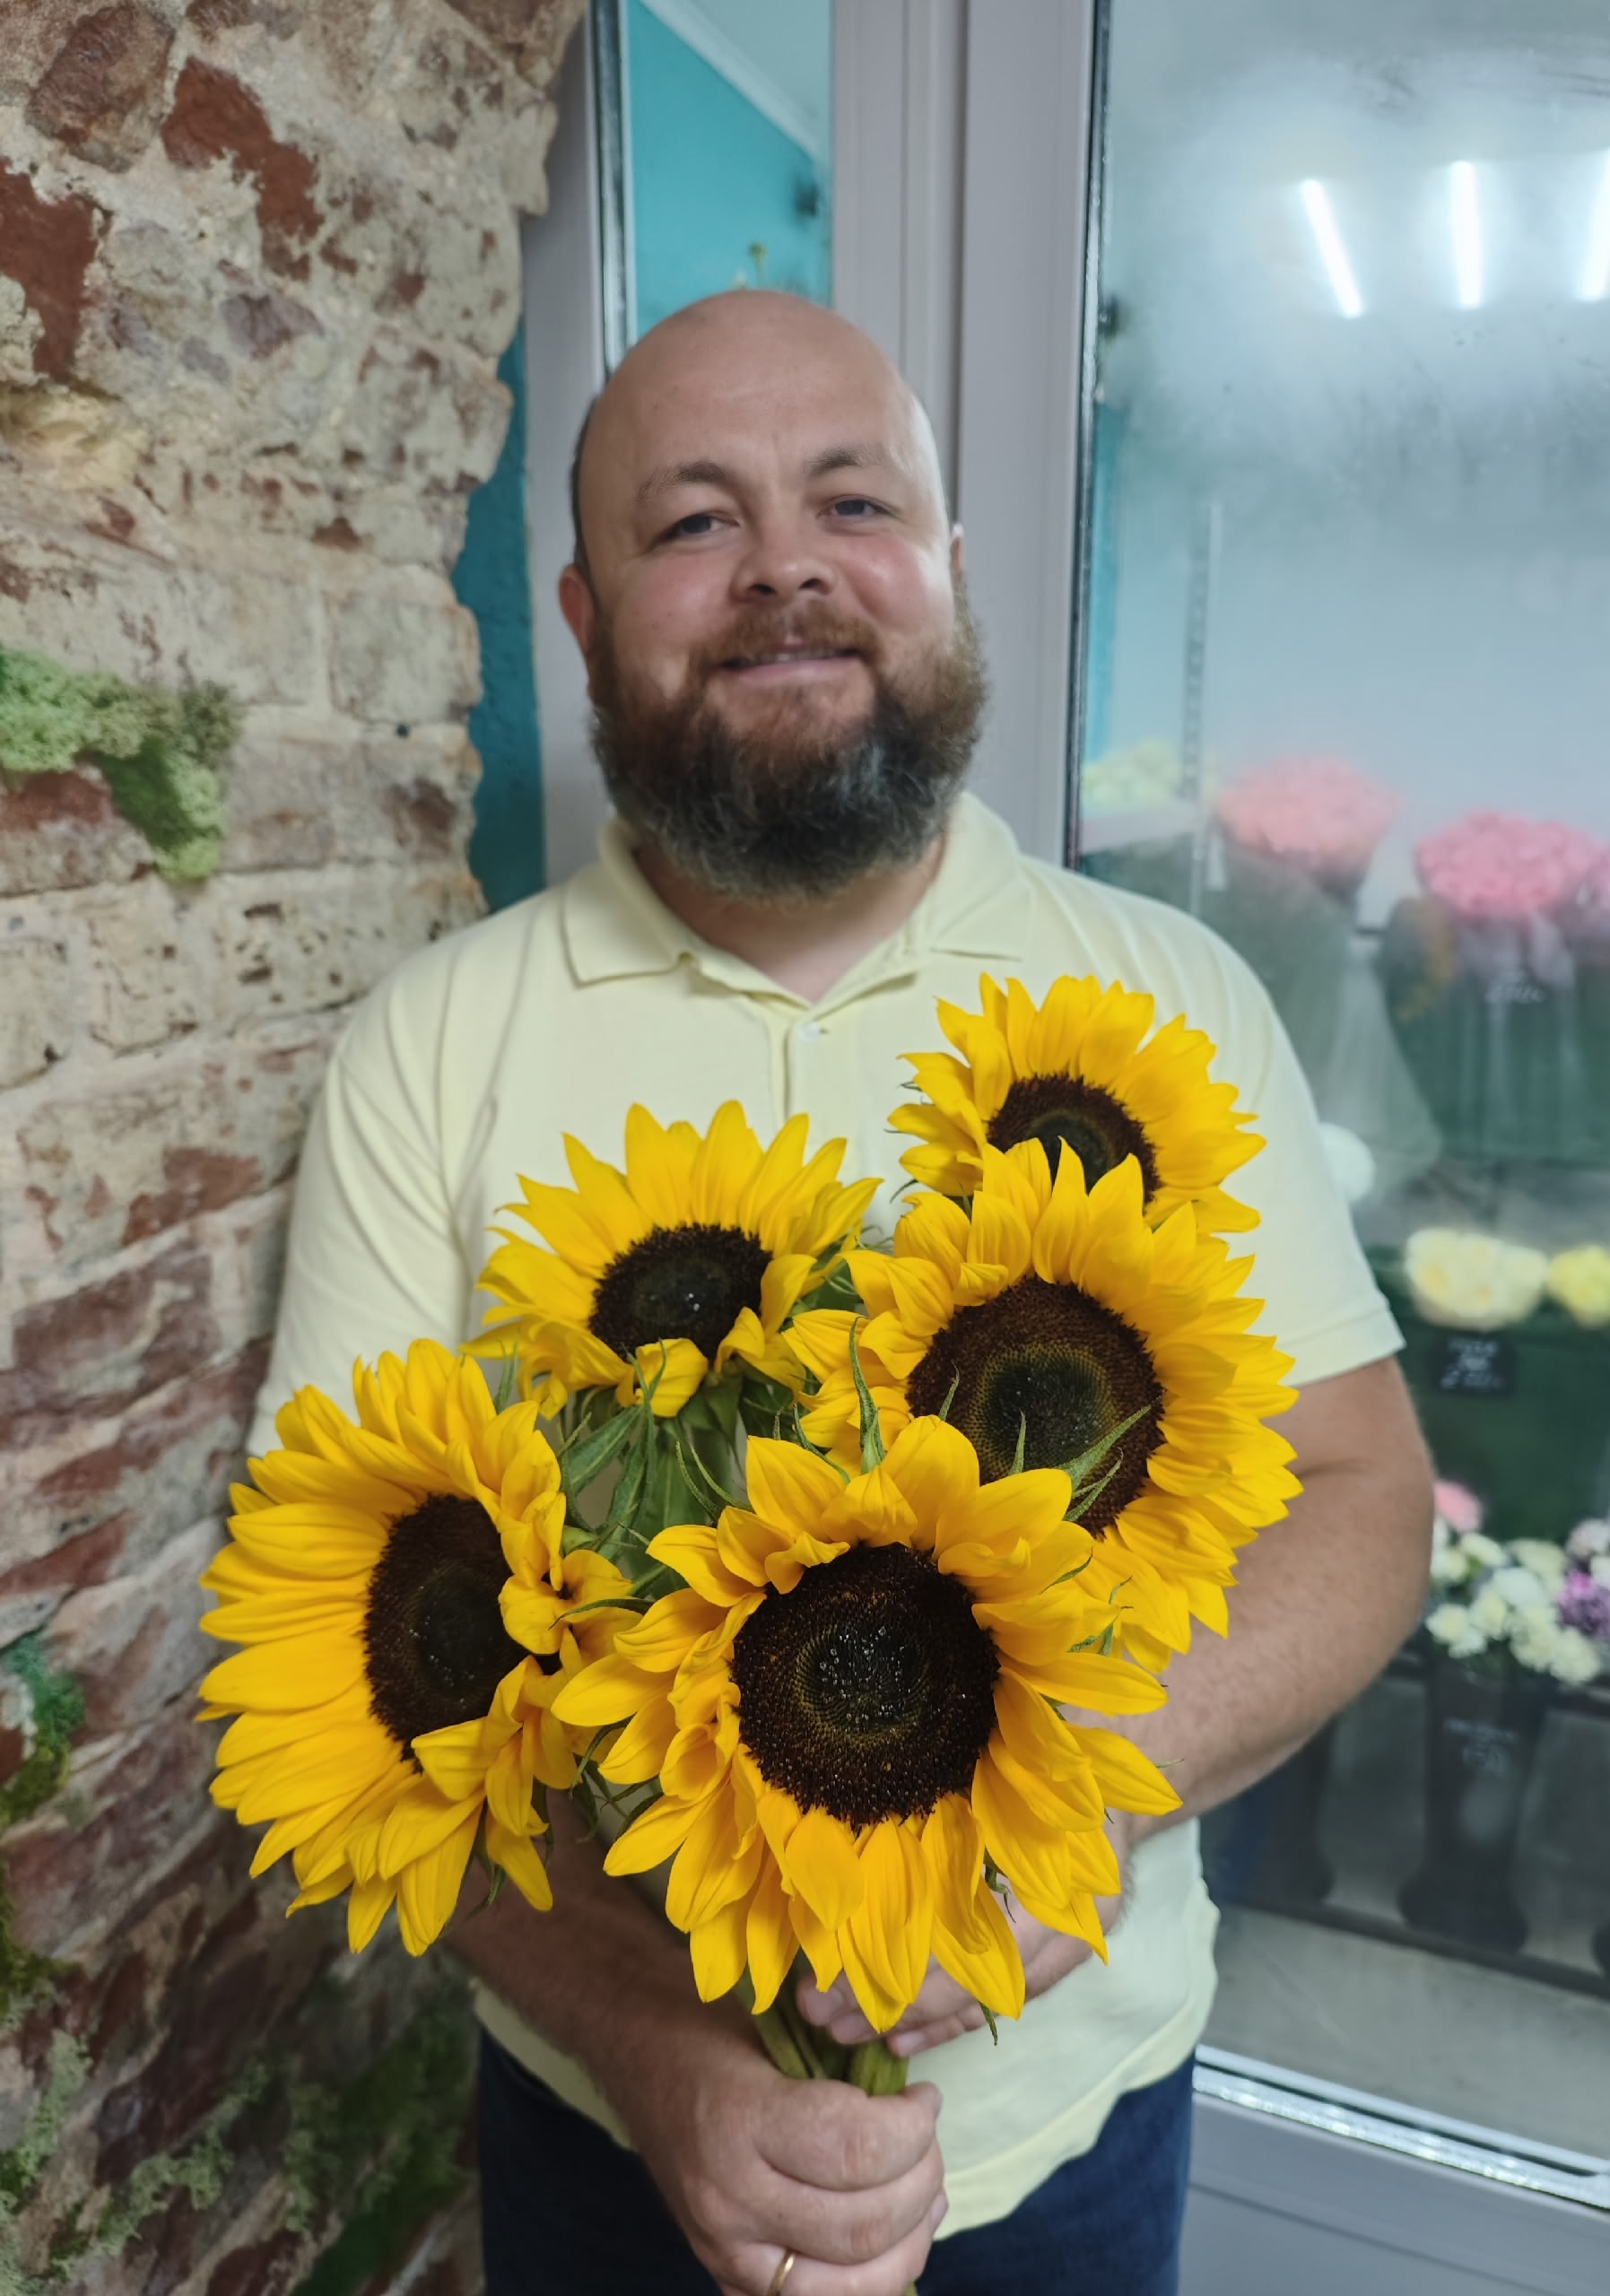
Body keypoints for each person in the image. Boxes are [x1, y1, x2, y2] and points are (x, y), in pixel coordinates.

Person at [255, 289, 1432, 2296]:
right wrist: (661, 2041)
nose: (786, 566)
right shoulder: (431, 1050)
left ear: (949, 567)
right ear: (585, 615)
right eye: (693, 520)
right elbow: (360, 1699)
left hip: (1072, 2129)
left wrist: (1072, 1806)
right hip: (614, 2141)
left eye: (853, 501)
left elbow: (1364, 1494)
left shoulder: (1169, 1004)